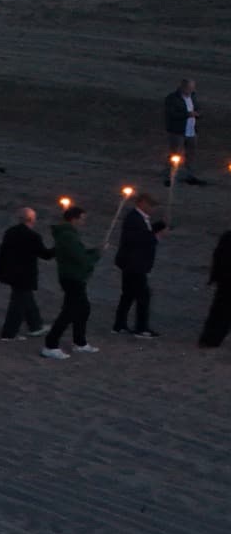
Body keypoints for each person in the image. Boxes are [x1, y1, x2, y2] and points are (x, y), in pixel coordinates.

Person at [41, 206, 100, 358]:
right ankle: (50, 345)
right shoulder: (68, 235)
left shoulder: (68, 234)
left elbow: (77, 253)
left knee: (83, 308)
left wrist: (95, 251)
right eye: (82, 219)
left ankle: (80, 342)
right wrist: (96, 255)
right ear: (74, 219)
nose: (83, 222)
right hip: (72, 277)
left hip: (72, 277)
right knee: (69, 312)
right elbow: (80, 259)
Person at [112, 191, 167, 338]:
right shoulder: (134, 218)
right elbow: (139, 240)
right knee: (143, 296)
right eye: (150, 205)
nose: (152, 208)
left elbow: (143, 233)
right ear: (142, 203)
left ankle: (119, 325)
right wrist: (157, 237)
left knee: (128, 295)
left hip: (131, 263)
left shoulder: (137, 218)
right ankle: (141, 328)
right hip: (134, 264)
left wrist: (158, 227)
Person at [0, 207, 54, 338]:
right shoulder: (33, 236)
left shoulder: (10, 232)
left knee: (27, 299)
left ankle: (35, 326)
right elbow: (46, 255)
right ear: (31, 219)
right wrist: (58, 247)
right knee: (18, 304)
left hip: (9, 272)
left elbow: (3, 252)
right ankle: (9, 333)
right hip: (24, 275)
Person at [198, 230, 231, 349]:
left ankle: (208, 338)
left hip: (224, 279)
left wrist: (214, 276)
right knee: (224, 312)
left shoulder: (227, 236)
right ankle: (212, 339)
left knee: (219, 309)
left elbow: (217, 256)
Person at [165, 79, 200, 180]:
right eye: (189, 88)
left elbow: (198, 108)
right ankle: (170, 174)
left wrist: (198, 114)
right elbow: (171, 114)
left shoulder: (193, 97)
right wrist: (187, 114)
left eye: (192, 88)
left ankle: (190, 175)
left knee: (191, 154)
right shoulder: (172, 98)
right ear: (183, 87)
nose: (191, 90)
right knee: (175, 153)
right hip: (177, 131)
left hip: (191, 131)